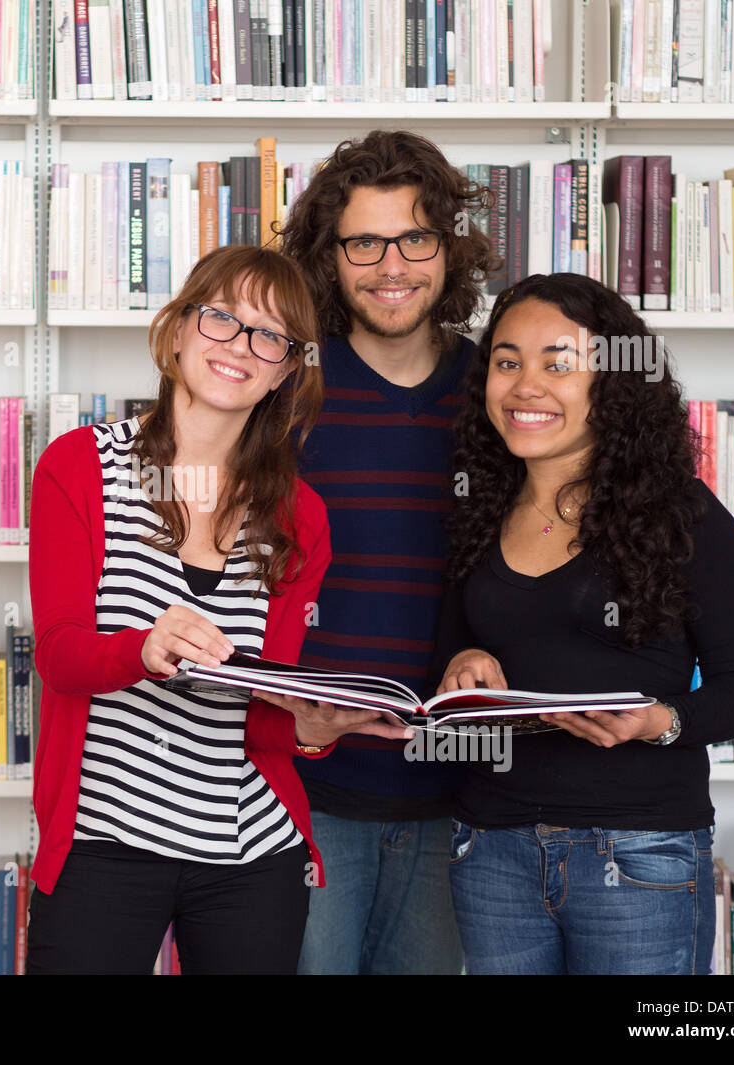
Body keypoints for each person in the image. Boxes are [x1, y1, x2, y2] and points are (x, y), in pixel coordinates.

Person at [24, 244, 411, 975]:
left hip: (250, 852)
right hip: (104, 840)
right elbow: (60, 653)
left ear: (286, 370)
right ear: (176, 332)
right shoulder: (80, 465)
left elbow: (264, 708)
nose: (241, 346)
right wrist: (141, 647)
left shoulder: (301, 516)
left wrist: (312, 728)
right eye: (221, 319)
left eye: (270, 336)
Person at [434, 271, 734, 974]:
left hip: (638, 850)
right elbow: (451, 647)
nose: (526, 384)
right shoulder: (477, 506)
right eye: (506, 361)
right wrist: (464, 661)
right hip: (491, 846)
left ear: (611, 384)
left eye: (559, 363)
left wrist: (660, 721)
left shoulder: (686, 518)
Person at [274, 129, 498, 974]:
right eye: (364, 242)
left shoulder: (498, 395)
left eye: (414, 238)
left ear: (447, 251)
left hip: (462, 798)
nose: (390, 263)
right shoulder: (285, 393)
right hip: (310, 790)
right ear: (330, 257)